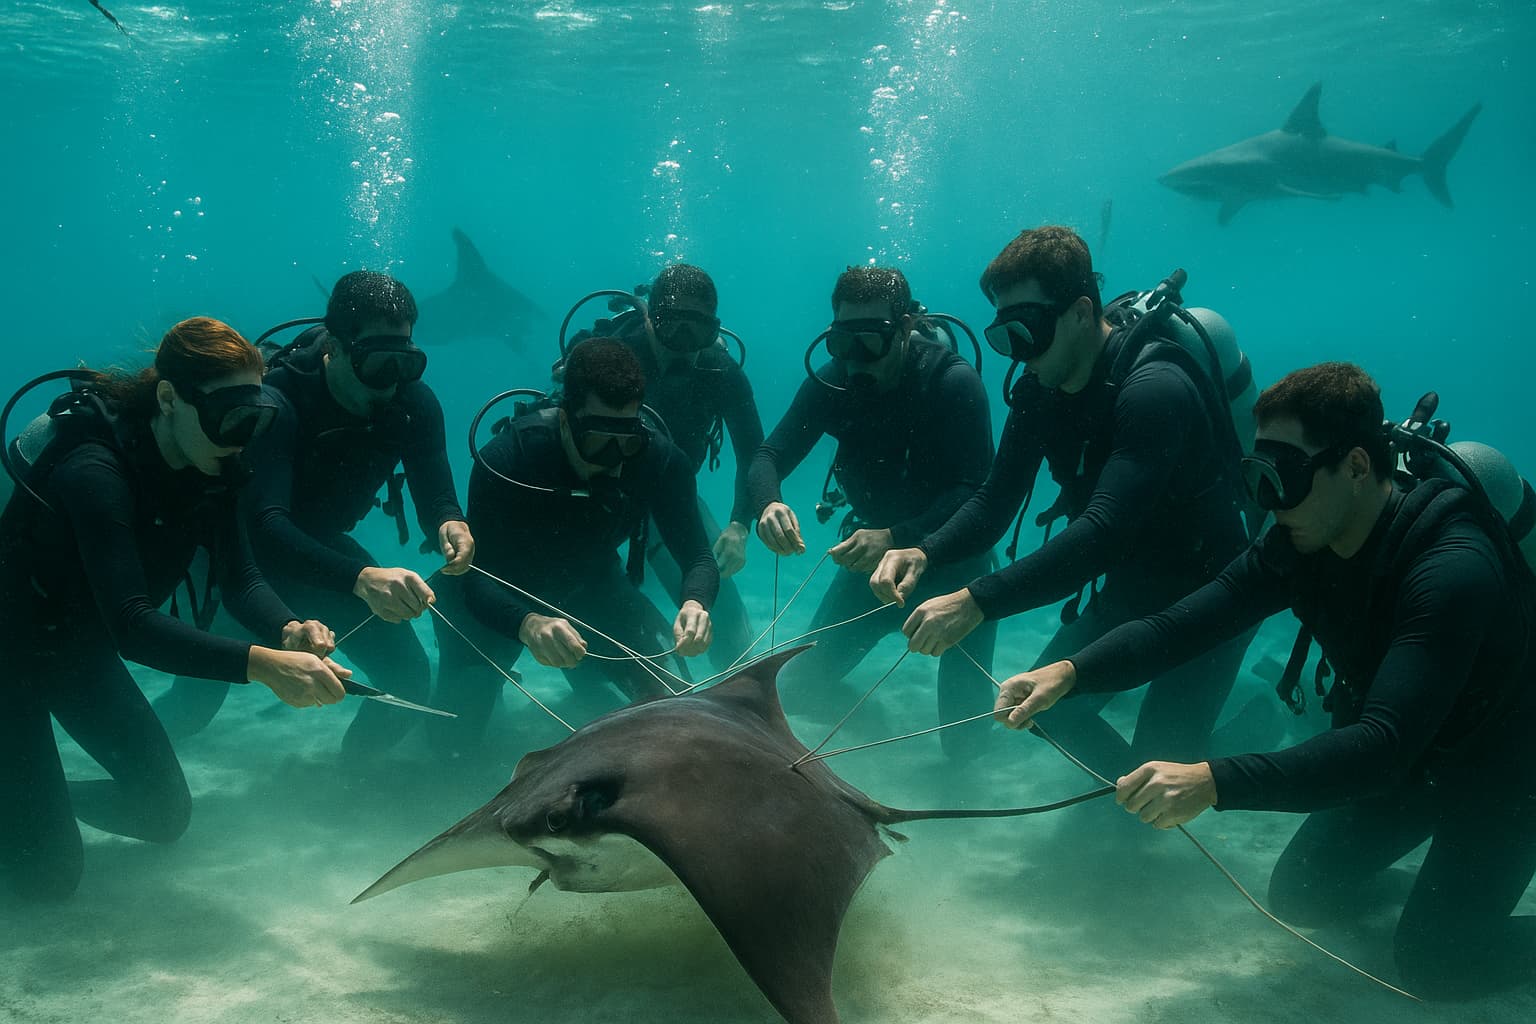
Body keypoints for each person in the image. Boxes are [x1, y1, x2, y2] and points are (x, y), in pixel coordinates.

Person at [995, 362, 1536, 999]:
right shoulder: (1298, 539)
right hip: (1415, 760)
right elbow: (1182, 625)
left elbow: (1382, 747)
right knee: (1300, 894)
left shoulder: (1452, 564)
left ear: (1358, 467)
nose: (1270, 502)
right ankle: (1442, 899)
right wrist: (1070, 672)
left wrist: (1212, 780)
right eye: (1258, 477)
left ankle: (1448, 918)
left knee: (1436, 965)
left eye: (1288, 478)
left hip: (1506, 770)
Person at [871, 226, 1252, 776]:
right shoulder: (1037, 394)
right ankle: (1131, 796)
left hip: (1215, 591)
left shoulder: (1155, 387)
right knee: (1044, 709)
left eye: (1028, 331)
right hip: (1133, 584)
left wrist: (977, 599)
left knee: (1163, 767)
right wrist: (925, 551)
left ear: (1079, 313)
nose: (1019, 354)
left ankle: (1239, 735)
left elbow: (1105, 530)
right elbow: (995, 500)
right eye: (1006, 336)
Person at [0, 317, 350, 901]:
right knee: (48, 881)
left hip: (75, 648)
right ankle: (26, 813)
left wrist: (287, 628)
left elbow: (240, 578)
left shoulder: (216, 467)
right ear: (169, 398)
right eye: (226, 416)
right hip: (8, 654)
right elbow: (134, 626)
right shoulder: (93, 469)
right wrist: (263, 665)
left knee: (163, 814)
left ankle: (31, 803)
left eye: (254, 416)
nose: (240, 436)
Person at [152, 272, 474, 759]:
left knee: (409, 677)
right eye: (376, 363)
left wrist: (452, 523)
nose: (391, 382)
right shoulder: (277, 401)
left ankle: (350, 783)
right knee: (195, 704)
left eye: (404, 362)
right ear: (335, 349)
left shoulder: (413, 403)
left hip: (324, 551)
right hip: (244, 563)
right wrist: (363, 578)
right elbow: (266, 524)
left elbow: (435, 489)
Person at [750, 265, 996, 760]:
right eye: (843, 342)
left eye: (872, 341)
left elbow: (976, 492)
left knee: (964, 744)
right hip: (874, 570)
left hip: (956, 568)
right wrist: (768, 502)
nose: (856, 359)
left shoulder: (952, 382)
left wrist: (896, 535)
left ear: (905, 328)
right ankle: (861, 711)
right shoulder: (832, 382)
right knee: (795, 688)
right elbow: (767, 456)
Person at [431, 337, 717, 754]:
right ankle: (485, 693)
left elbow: (698, 555)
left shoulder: (661, 459)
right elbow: (475, 576)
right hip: (493, 600)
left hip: (591, 588)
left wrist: (695, 602)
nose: (615, 459)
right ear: (565, 421)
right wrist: (527, 624)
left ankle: (584, 682)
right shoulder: (509, 458)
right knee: (452, 746)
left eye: (628, 439)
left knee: (677, 706)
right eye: (599, 440)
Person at [567, 264, 763, 672]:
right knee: (586, 613)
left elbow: (753, 452)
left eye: (699, 330)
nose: (684, 344)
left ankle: (745, 711)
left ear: (715, 329)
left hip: (670, 501)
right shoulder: (612, 361)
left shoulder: (722, 372)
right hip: (590, 502)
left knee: (722, 615)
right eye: (672, 326)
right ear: (649, 320)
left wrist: (739, 525)